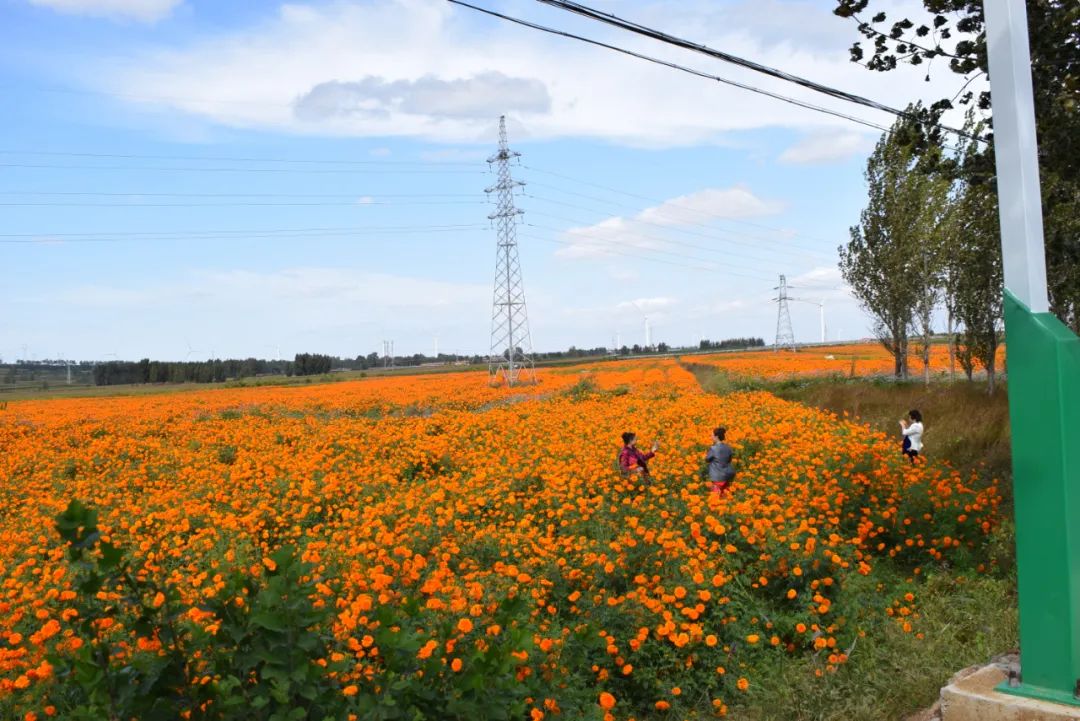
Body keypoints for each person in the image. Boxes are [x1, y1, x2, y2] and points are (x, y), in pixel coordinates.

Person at [705, 426, 736, 495]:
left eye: (712, 435)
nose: (711, 437)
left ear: (716, 437)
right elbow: (729, 460)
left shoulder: (713, 448)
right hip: (727, 476)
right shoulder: (728, 447)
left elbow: (707, 459)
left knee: (715, 498)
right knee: (725, 496)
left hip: (717, 477)